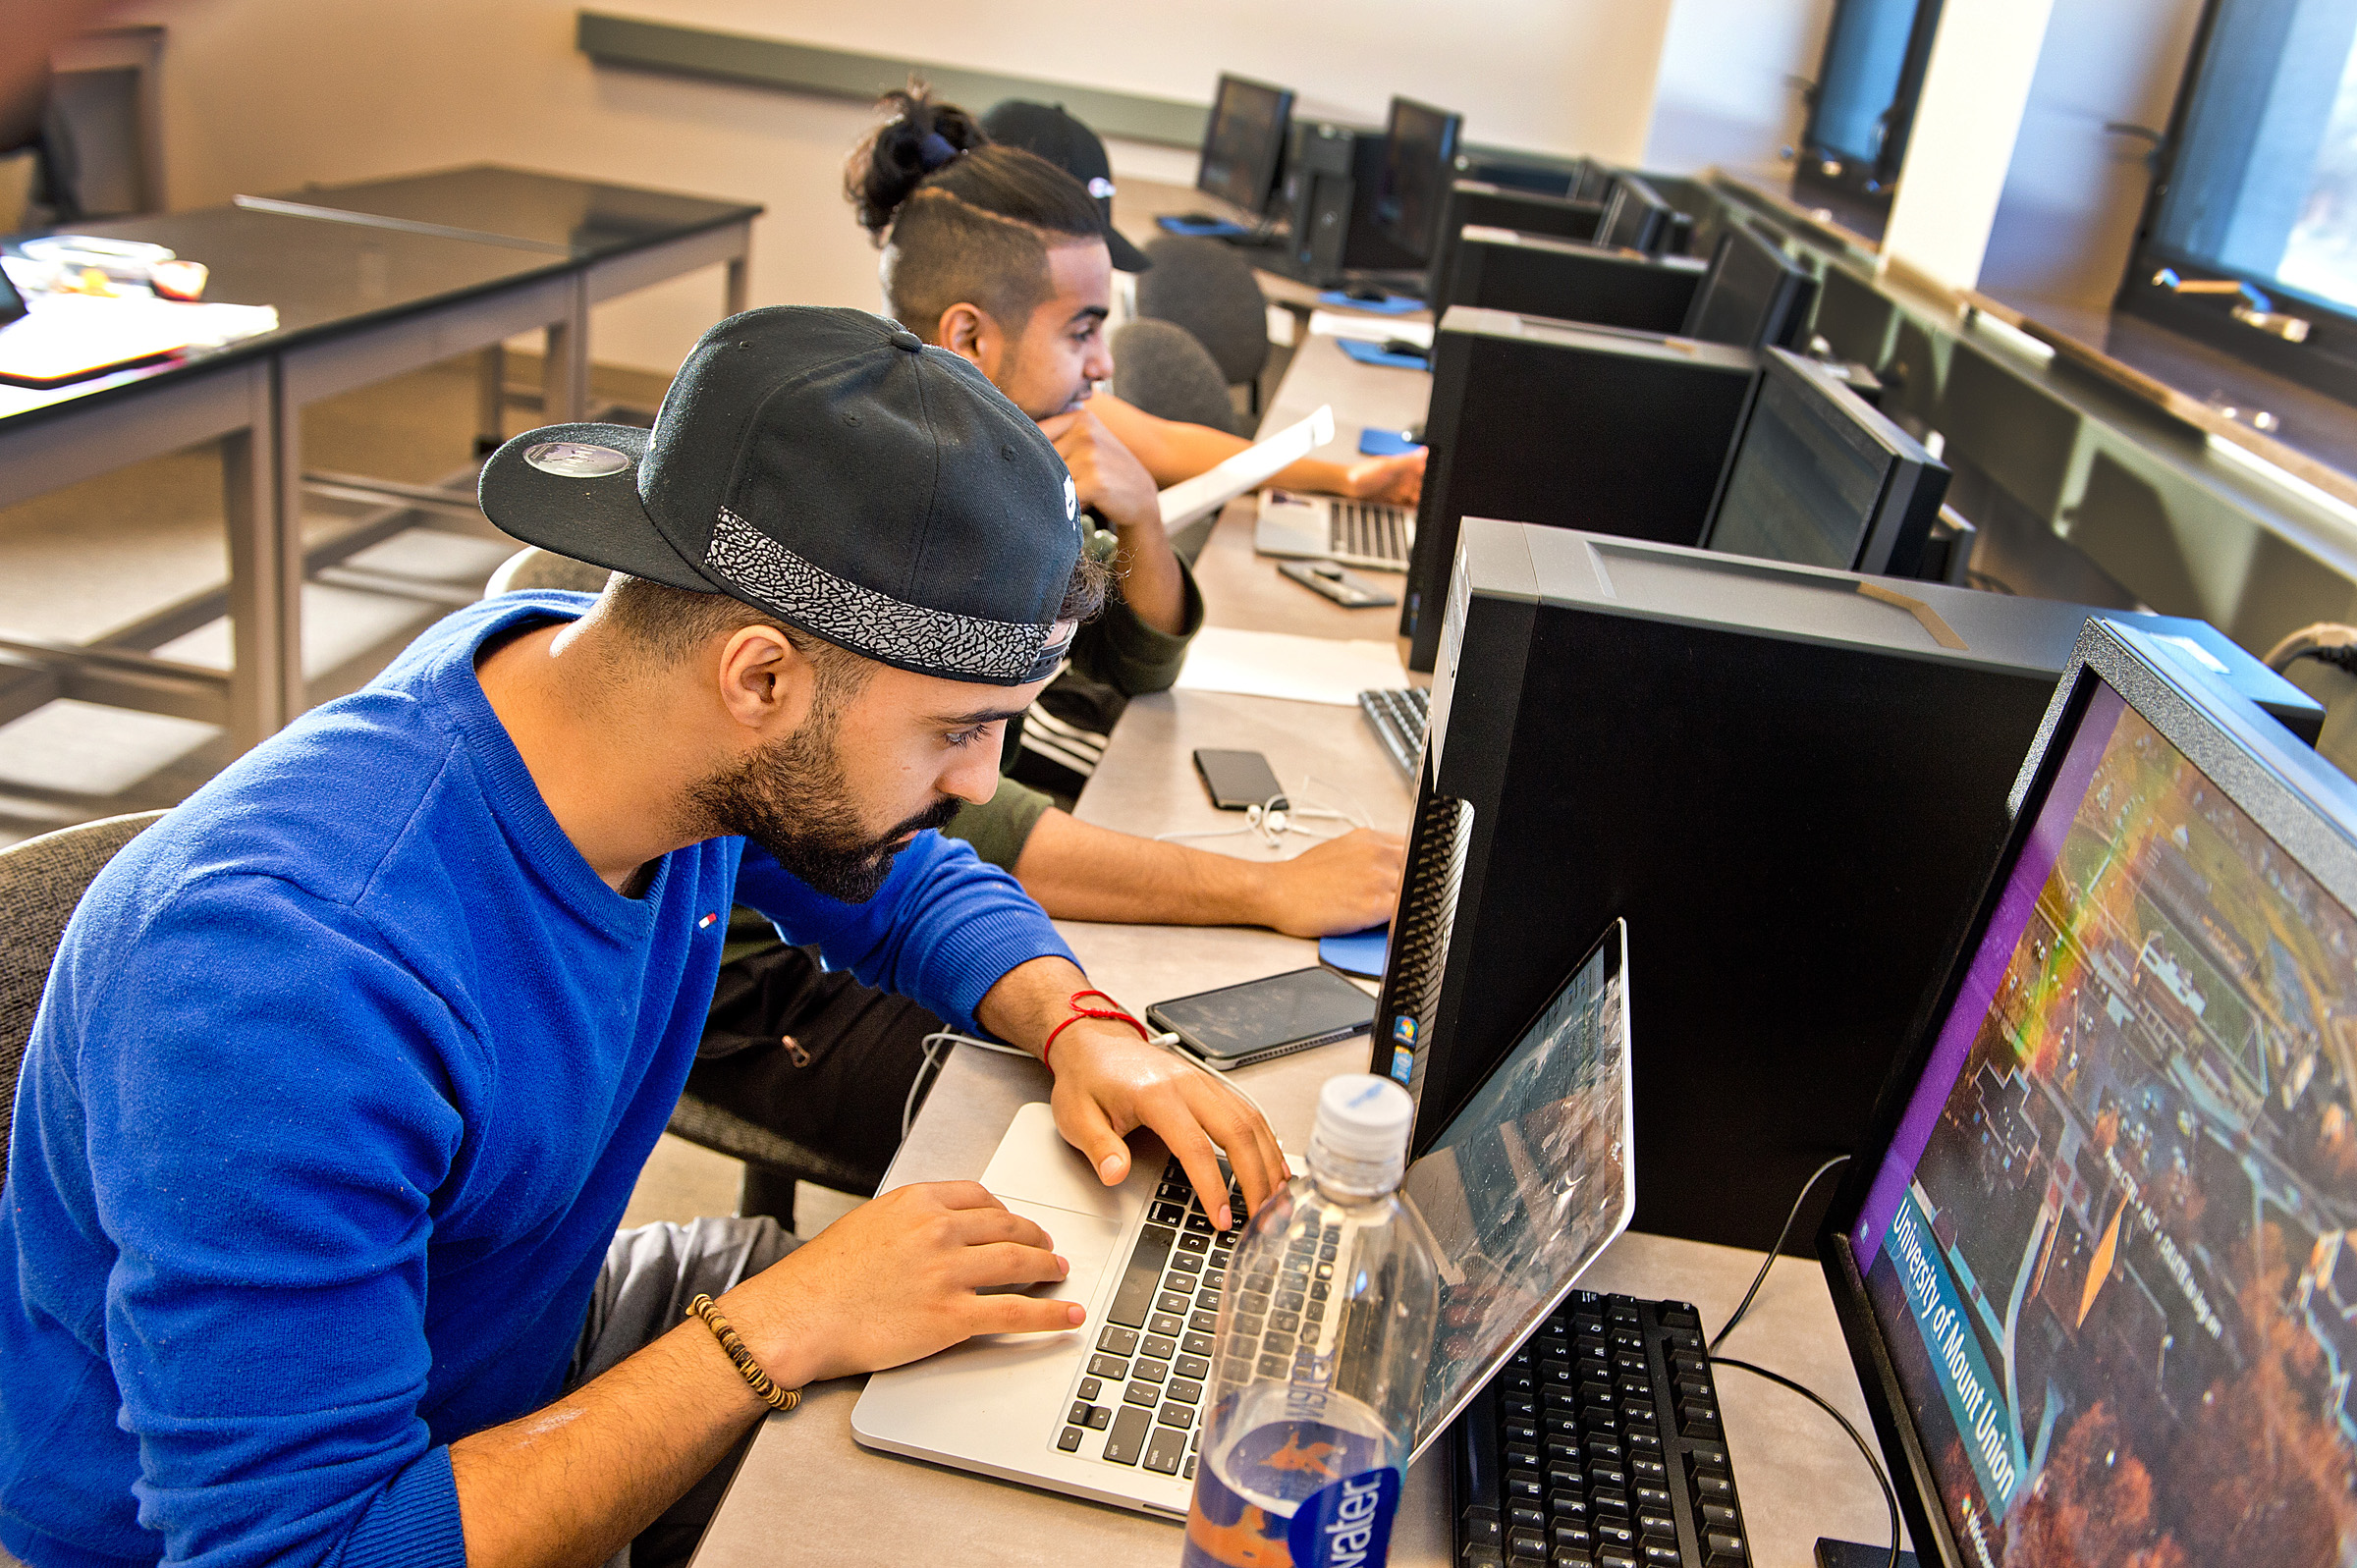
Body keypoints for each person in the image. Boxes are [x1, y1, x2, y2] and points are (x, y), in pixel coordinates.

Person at [0, 307, 1289, 1568]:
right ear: (760, 678)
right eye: (958, 728)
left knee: (982, 1417)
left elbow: (901, 885)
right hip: (319, 1507)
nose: (977, 777)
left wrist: (1080, 1023)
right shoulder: (293, 982)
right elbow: (305, 1545)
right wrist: (770, 1330)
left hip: (505, 1350)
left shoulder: (612, 710)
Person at [678, 93, 1414, 1199]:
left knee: (1139, 1097)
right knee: (1104, 1169)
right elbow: (972, 809)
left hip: (864, 891)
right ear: (969, 336)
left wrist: (1144, 520)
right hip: (746, 977)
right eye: (1083, 330)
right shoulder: (875, 500)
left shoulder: (991, 450)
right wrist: (1259, 888)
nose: (1106, 365)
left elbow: (948, 834)